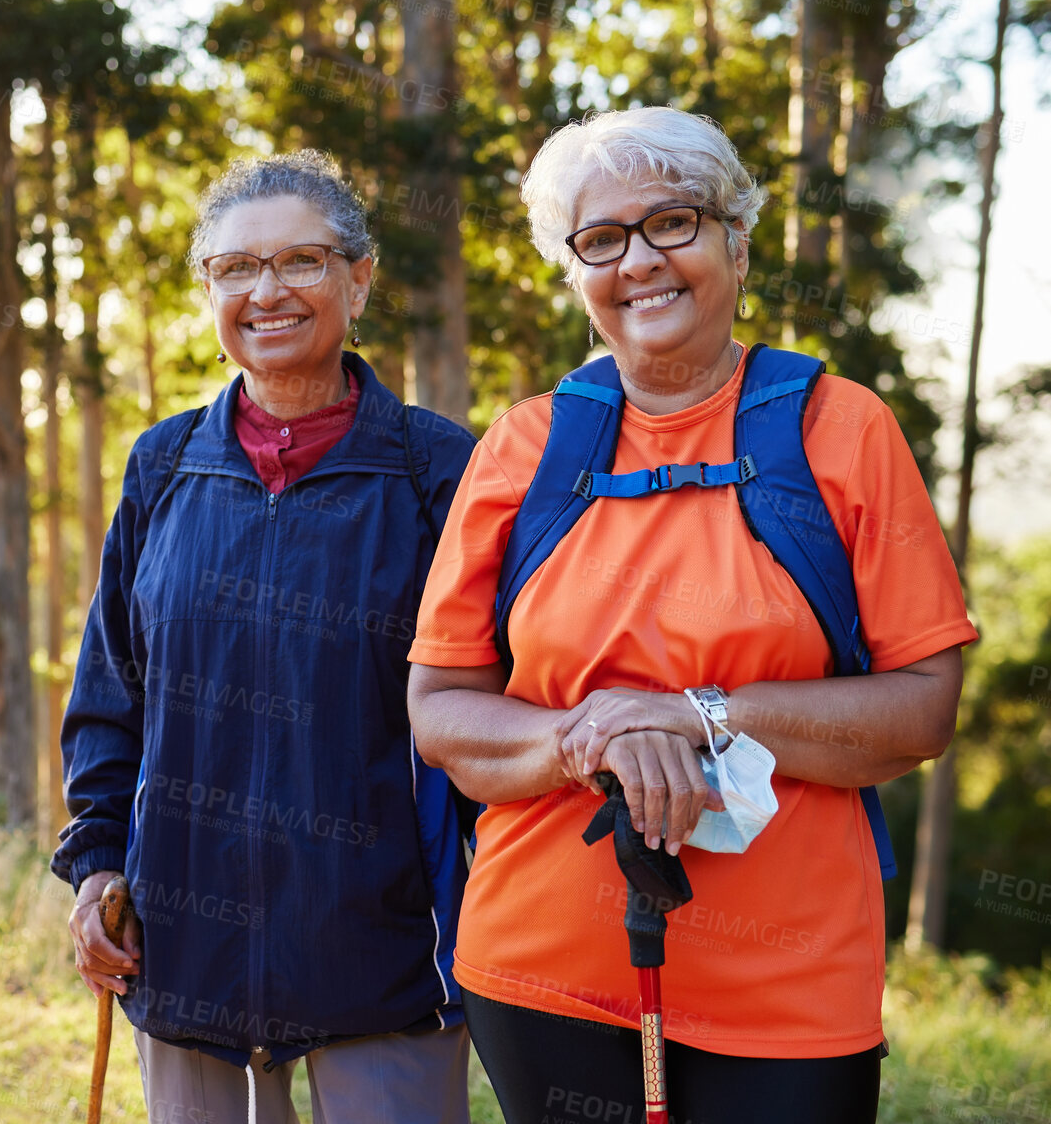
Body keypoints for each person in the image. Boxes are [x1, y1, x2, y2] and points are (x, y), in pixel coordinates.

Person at [407, 106, 977, 1123]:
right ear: (577, 272)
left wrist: (699, 715)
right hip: (544, 970)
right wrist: (597, 732)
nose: (639, 261)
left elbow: (922, 708)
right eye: (601, 240)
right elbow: (444, 709)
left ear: (736, 242)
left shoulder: (843, 430)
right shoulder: (522, 448)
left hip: (792, 991)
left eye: (673, 222)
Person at [53, 151, 477, 1123]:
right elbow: (110, 701)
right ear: (209, 289)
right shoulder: (162, 467)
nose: (267, 291)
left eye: (301, 261)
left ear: (359, 277)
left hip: (386, 967)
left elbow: (487, 708)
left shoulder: (434, 469)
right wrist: (97, 867)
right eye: (236, 268)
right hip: (182, 955)